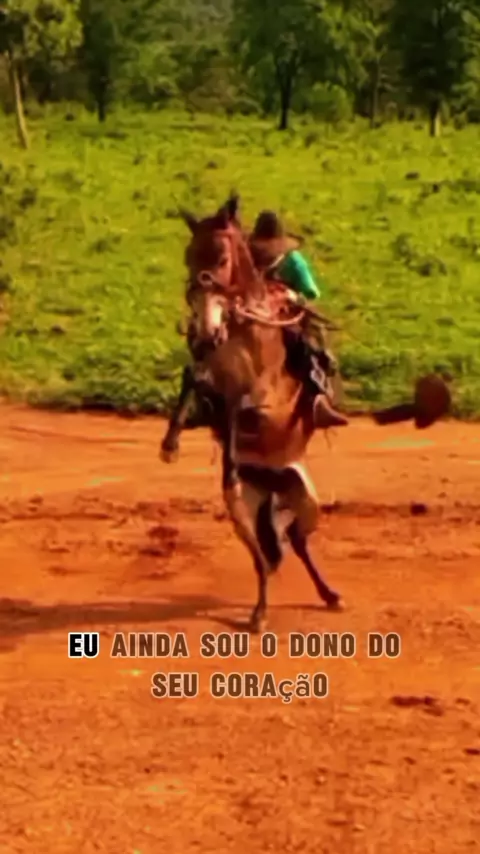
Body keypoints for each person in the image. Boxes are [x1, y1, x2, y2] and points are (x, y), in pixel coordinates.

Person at [248, 211, 348, 429]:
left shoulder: (293, 262)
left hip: (285, 317)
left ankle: (316, 399)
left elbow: (311, 292)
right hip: (252, 312)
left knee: (305, 346)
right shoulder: (249, 259)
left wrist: (294, 296)